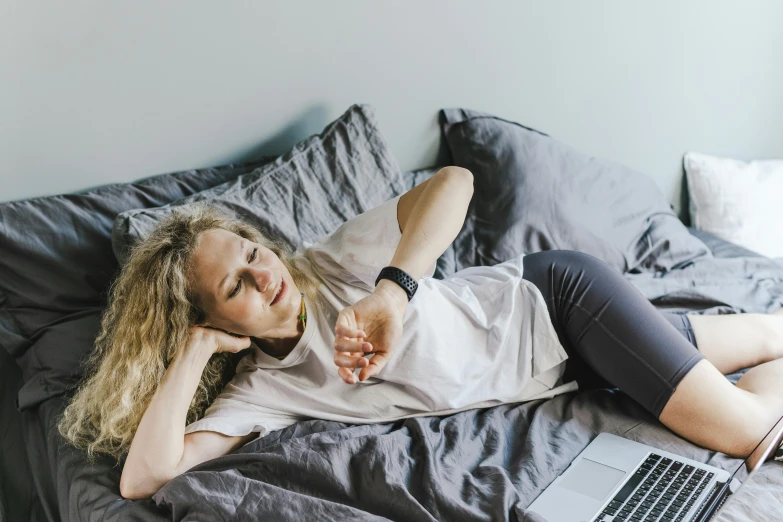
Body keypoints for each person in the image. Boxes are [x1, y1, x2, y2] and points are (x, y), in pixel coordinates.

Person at [57, 166, 783, 501]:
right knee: (766, 336)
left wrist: (392, 289)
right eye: (234, 287)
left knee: (744, 429)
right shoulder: (262, 393)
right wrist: (192, 353)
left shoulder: (331, 263)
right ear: (212, 318)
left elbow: (454, 183)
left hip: (556, 303)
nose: (263, 274)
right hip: (568, 370)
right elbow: (143, 477)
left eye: (252, 252)